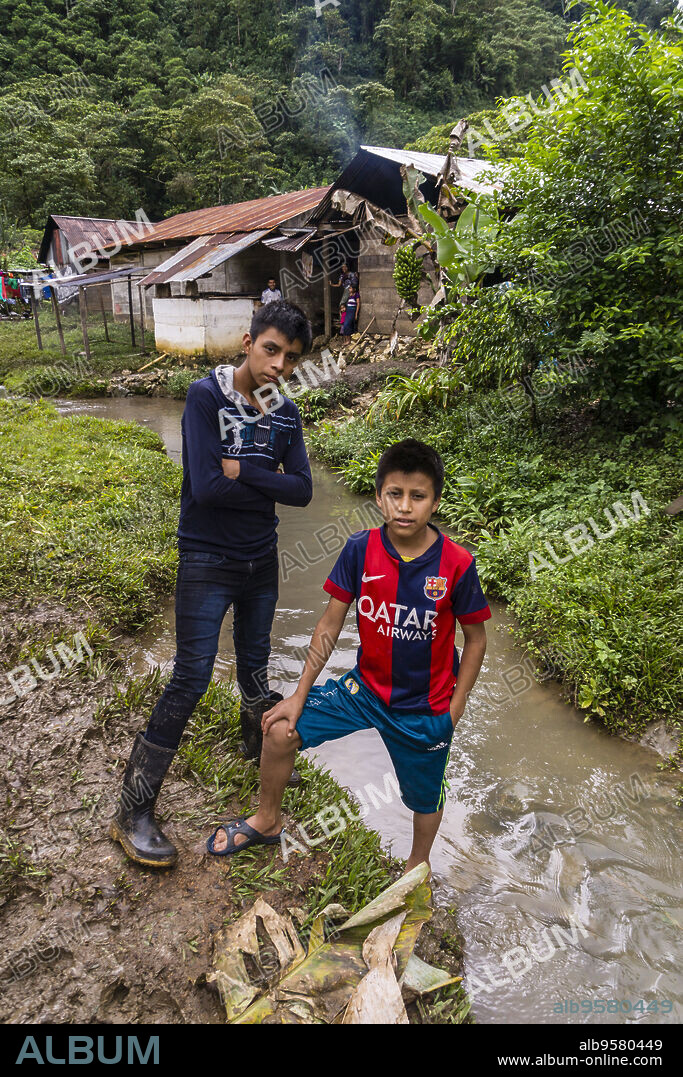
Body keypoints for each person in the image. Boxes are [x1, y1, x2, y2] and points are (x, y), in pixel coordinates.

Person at [207, 439, 491, 872]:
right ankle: (267, 821)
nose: (405, 507)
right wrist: (299, 695)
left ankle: (418, 866)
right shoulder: (360, 549)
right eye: (395, 494)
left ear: (435, 502)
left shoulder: (456, 564)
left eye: (418, 496)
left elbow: (476, 639)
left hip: (425, 709)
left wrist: (457, 705)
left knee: (425, 794)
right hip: (363, 690)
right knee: (280, 731)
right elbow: (328, 625)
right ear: (379, 496)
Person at [110, 300, 314, 868]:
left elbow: (301, 491)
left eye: (291, 358)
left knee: (253, 664)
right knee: (192, 676)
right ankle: (132, 810)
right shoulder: (206, 398)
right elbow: (204, 488)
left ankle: (257, 750)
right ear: (248, 342)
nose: (279, 365)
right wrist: (266, 481)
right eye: (271, 350)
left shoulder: (285, 413)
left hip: (260, 560)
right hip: (205, 558)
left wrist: (244, 471)